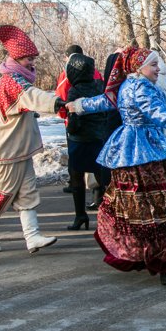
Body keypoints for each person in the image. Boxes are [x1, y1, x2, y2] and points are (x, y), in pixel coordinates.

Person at [66, 46, 166, 285]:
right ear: (137, 67)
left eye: (157, 64)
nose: (158, 68)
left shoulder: (127, 85)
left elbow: (104, 102)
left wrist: (79, 105)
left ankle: (141, 252)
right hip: (147, 149)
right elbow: (158, 114)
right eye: (152, 65)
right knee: (157, 205)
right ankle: (163, 261)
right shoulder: (141, 87)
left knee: (135, 204)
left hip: (129, 148)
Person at [0, 25, 65, 253]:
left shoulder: (8, 79)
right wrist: (56, 102)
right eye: (29, 58)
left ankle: (32, 236)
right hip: (7, 149)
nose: (32, 63)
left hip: (21, 149)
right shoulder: (13, 81)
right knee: (1, 193)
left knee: (27, 193)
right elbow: (31, 96)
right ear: (17, 59)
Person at [64, 52, 109, 230]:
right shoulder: (99, 85)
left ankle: (80, 216)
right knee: (103, 179)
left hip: (80, 141)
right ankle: (109, 216)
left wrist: (70, 128)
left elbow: (73, 121)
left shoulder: (74, 91)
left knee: (76, 178)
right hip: (99, 138)